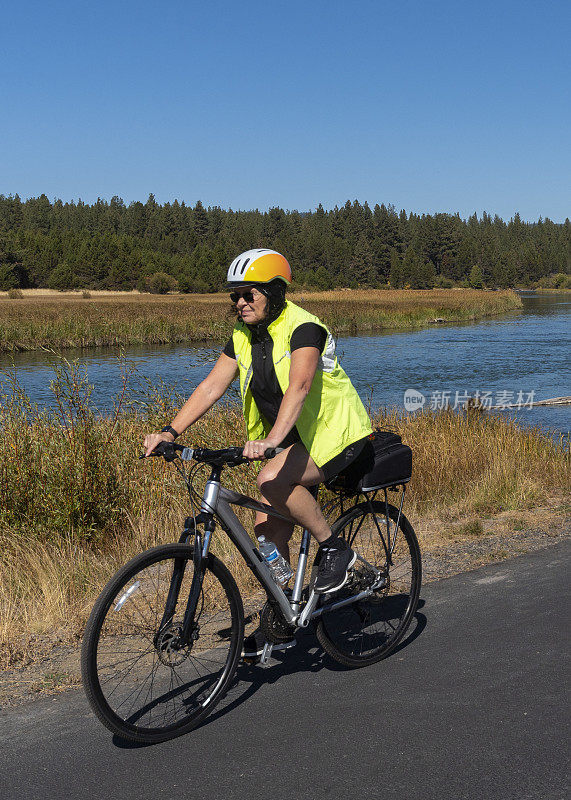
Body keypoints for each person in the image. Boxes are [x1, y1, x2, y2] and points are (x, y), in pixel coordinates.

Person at [143, 248, 374, 656]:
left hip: (335, 435)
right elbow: (211, 387)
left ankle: (336, 548)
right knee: (267, 533)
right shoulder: (242, 337)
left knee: (269, 478)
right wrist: (169, 431)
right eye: (234, 296)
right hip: (292, 440)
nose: (240, 303)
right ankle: (282, 613)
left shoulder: (304, 327)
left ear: (274, 292)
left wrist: (270, 442)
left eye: (249, 293)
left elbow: (300, 386)